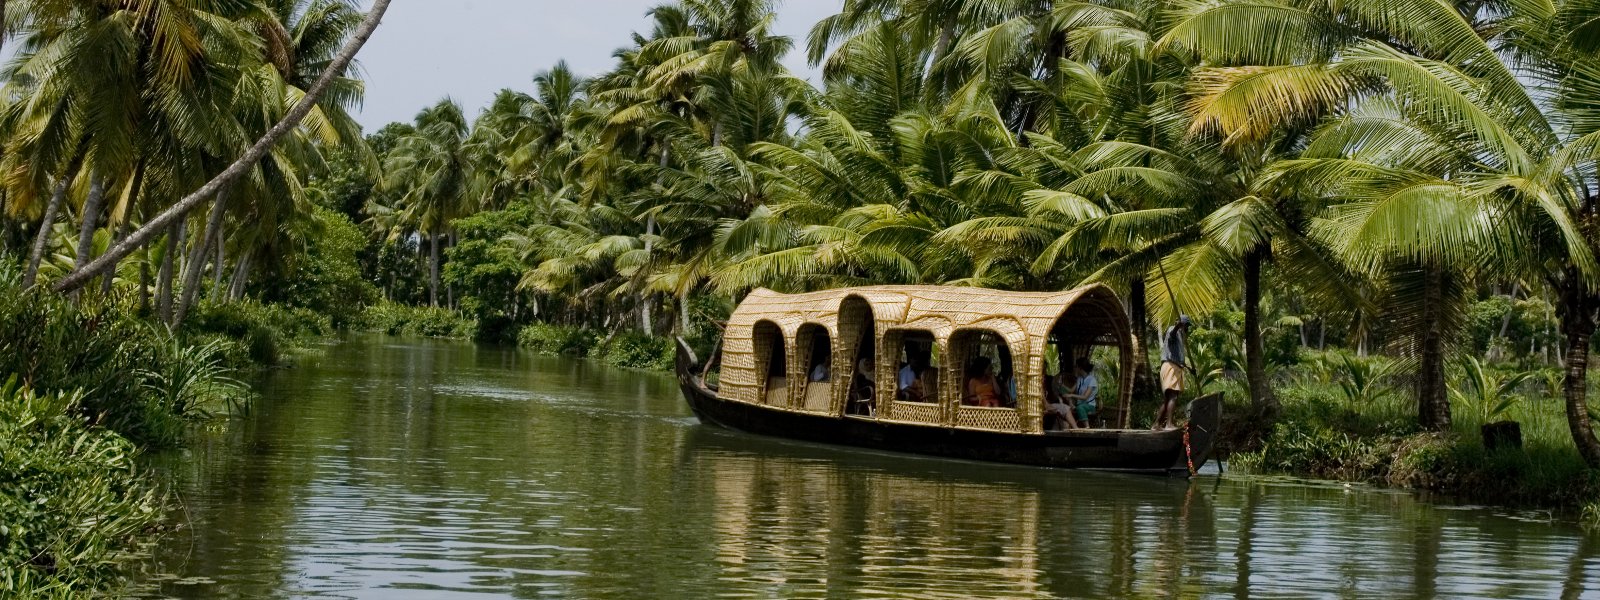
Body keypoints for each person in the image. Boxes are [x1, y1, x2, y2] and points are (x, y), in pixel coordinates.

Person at [1155, 315, 1191, 430]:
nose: (1187, 329)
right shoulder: (1174, 330)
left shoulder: (1181, 337)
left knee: (1168, 398)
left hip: (1174, 366)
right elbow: (1171, 335)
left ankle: (1157, 424)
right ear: (1183, 325)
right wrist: (1177, 326)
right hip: (1171, 367)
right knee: (1173, 396)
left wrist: (1190, 369)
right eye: (1186, 326)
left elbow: (1178, 357)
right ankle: (1168, 424)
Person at [1066, 357, 1099, 427]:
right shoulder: (1079, 379)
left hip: (1090, 406)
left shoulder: (1092, 380)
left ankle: (1087, 427)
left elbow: (1085, 397)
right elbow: (1071, 390)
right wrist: (1061, 385)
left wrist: (1072, 396)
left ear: (1080, 368)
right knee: (1068, 403)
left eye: (1076, 366)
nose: (1075, 368)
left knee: (1080, 407)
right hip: (1079, 404)